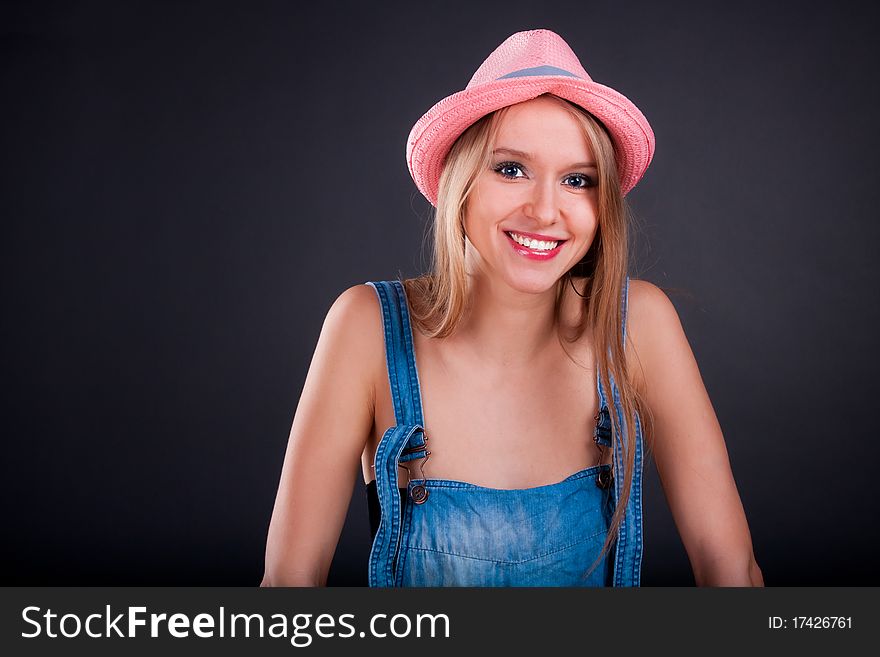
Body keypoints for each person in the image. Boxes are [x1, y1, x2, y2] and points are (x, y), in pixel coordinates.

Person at [261, 29, 764, 587]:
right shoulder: (367, 327)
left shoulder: (637, 323)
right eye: (511, 169)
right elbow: (290, 583)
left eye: (578, 180)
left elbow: (730, 568)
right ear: (462, 180)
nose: (545, 210)